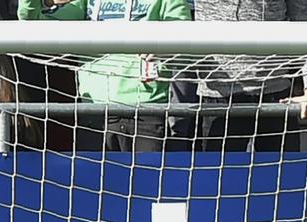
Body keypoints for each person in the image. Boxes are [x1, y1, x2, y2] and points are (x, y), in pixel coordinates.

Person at [17, 0, 190, 152]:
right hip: (94, 113)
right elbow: (31, 20)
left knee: (147, 188)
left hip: (147, 112)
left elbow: (186, 41)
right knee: (91, 188)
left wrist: (165, 45)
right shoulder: (83, 4)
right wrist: (46, 2)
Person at [191, 0, 307, 152]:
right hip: (218, 97)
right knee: (219, 174)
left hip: (277, 96)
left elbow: (303, 24)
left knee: (283, 173)